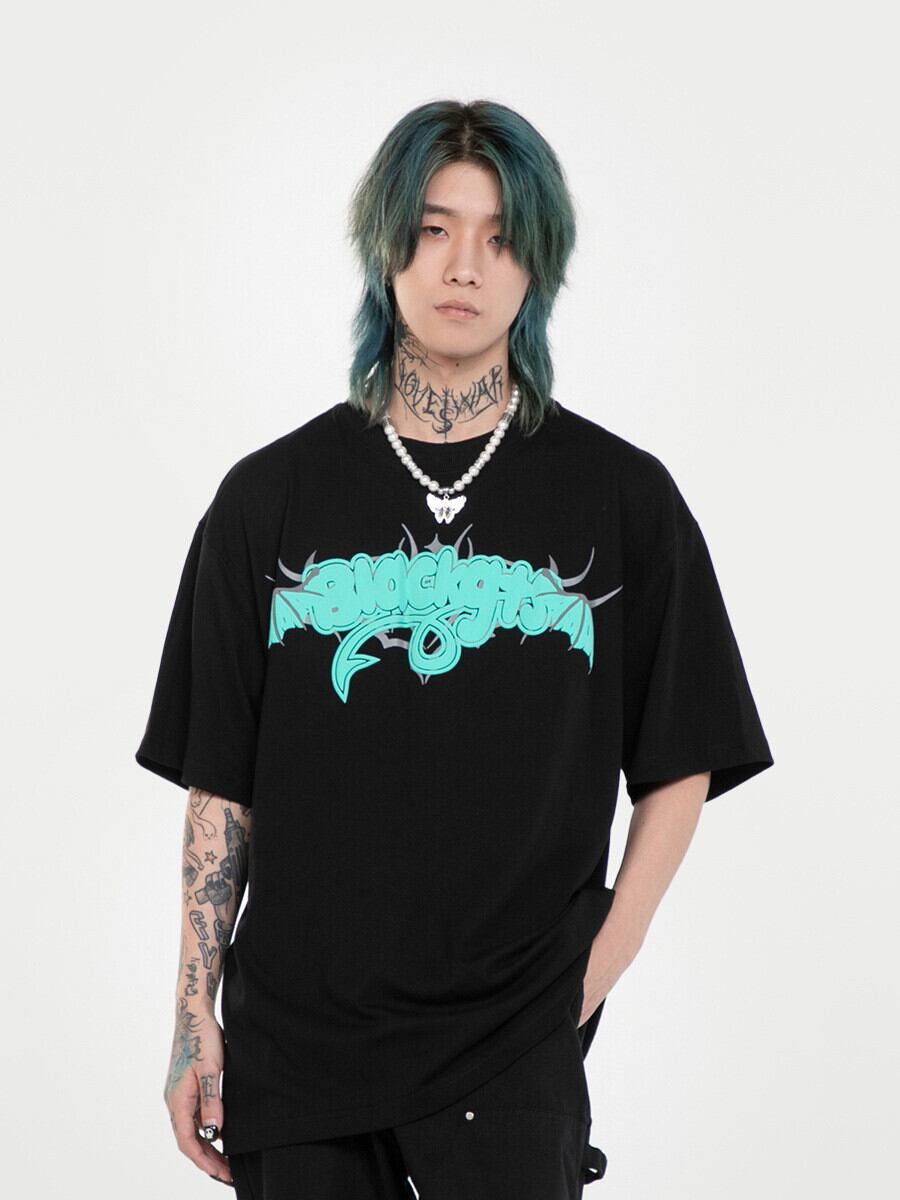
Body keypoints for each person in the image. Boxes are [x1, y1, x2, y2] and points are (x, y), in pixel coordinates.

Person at [136, 99, 774, 1199]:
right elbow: (219, 785)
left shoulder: (622, 498)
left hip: (512, 1046)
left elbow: (683, 756)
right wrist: (194, 1016)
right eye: (434, 229)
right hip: (298, 1048)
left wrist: (594, 968)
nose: (464, 265)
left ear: (540, 265)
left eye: (501, 236)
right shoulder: (267, 499)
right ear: (386, 245)